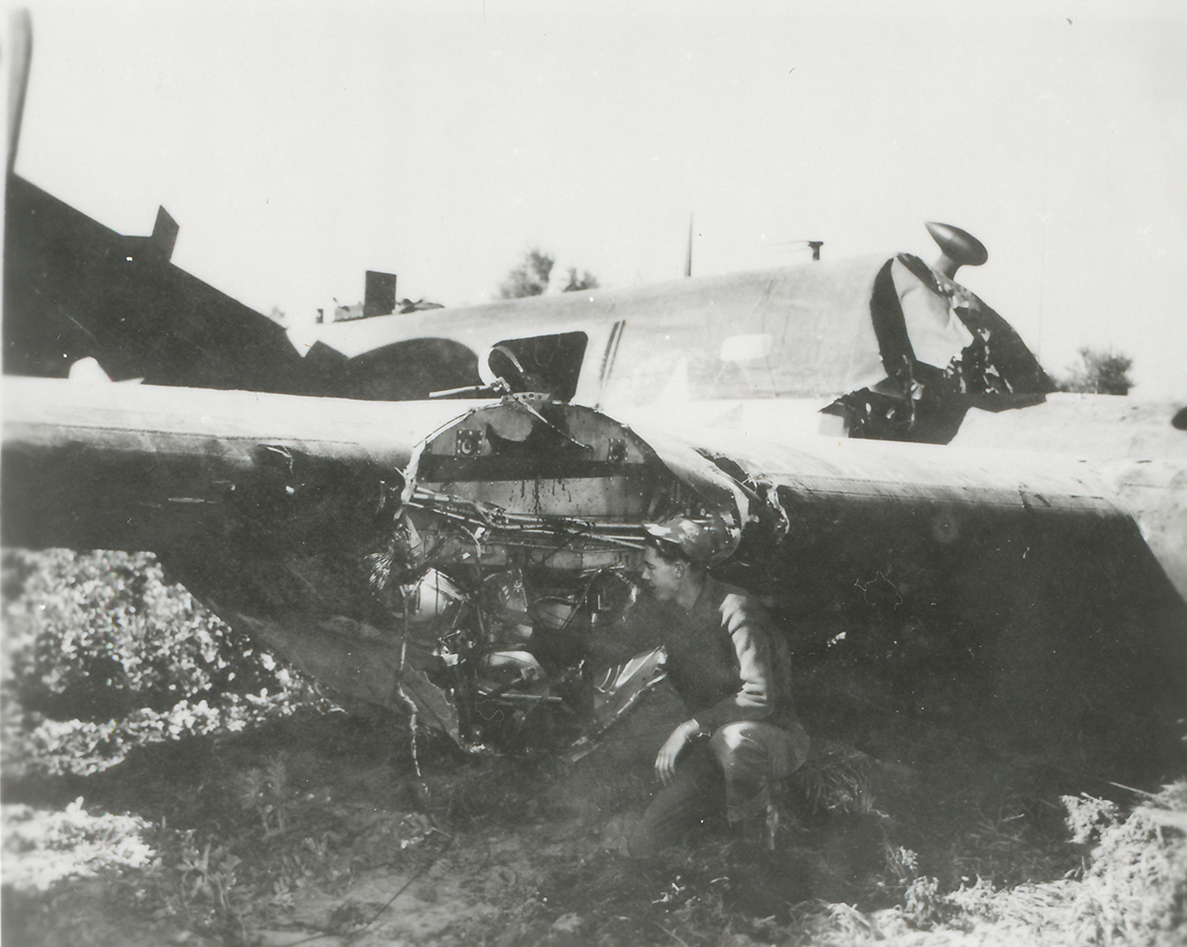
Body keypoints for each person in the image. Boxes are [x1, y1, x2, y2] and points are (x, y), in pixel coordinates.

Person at [625, 516, 810, 859]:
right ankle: (726, 813)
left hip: (773, 739)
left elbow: (759, 697)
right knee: (644, 842)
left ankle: (758, 850)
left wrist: (689, 727)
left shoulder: (736, 609)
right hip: (710, 748)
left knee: (735, 740)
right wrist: (533, 637)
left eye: (650, 567)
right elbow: (610, 643)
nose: (644, 575)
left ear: (679, 569)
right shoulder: (669, 613)